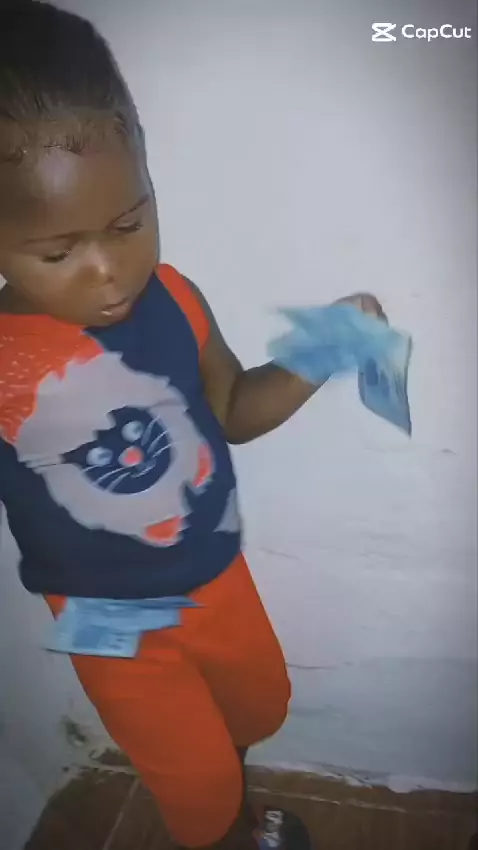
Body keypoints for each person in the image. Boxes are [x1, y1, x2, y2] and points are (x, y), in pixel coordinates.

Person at [0, 3, 385, 848]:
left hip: (215, 577)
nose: (110, 271)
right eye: (59, 253)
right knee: (196, 788)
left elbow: (233, 409)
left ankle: (232, 811)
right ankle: (222, 831)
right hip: (112, 624)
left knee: (257, 708)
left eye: (129, 223)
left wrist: (327, 350)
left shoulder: (174, 296)